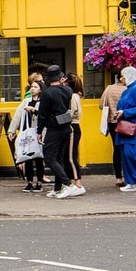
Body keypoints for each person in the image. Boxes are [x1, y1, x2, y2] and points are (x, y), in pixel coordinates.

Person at [37, 65, 80, 198]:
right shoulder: (68, 90)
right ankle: (57, 188)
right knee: (59, 157)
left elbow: (43, 114)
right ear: (60, 77)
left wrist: (39, 131)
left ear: (48, 79)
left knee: (49, 157)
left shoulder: (47, 93)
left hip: (53, 127)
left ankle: (67, 184)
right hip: (66, 125)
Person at [9, 80, 45, 191]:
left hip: (38, 133)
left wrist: (34, 110)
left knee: (39, 158)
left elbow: (44, 116)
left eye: (35, 87)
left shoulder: (43, 102)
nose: (32, 89)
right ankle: (29, 182)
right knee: (27, 157)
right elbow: (17, 116)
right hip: (27, 133)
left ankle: (39, 182)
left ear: (40, 89)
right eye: (32, 86)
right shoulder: (26, 101)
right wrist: (12, 130)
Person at [99, 71, 127, 186]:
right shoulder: (127, 90)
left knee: (116, 149)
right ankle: (128, 174)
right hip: (126, 121)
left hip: (112, 121)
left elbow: (101, 105)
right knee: (127, 148)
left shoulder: (109, 88)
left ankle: (118, 178)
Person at [65, 72, 86, 197]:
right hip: (73, 126)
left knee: (71, 157)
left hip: (72, 126)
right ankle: (72, 181)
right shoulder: (75, 96)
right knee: (68, 155)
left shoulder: (73, 97)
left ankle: (78, 183)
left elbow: (73, 113)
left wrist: (59, 118)